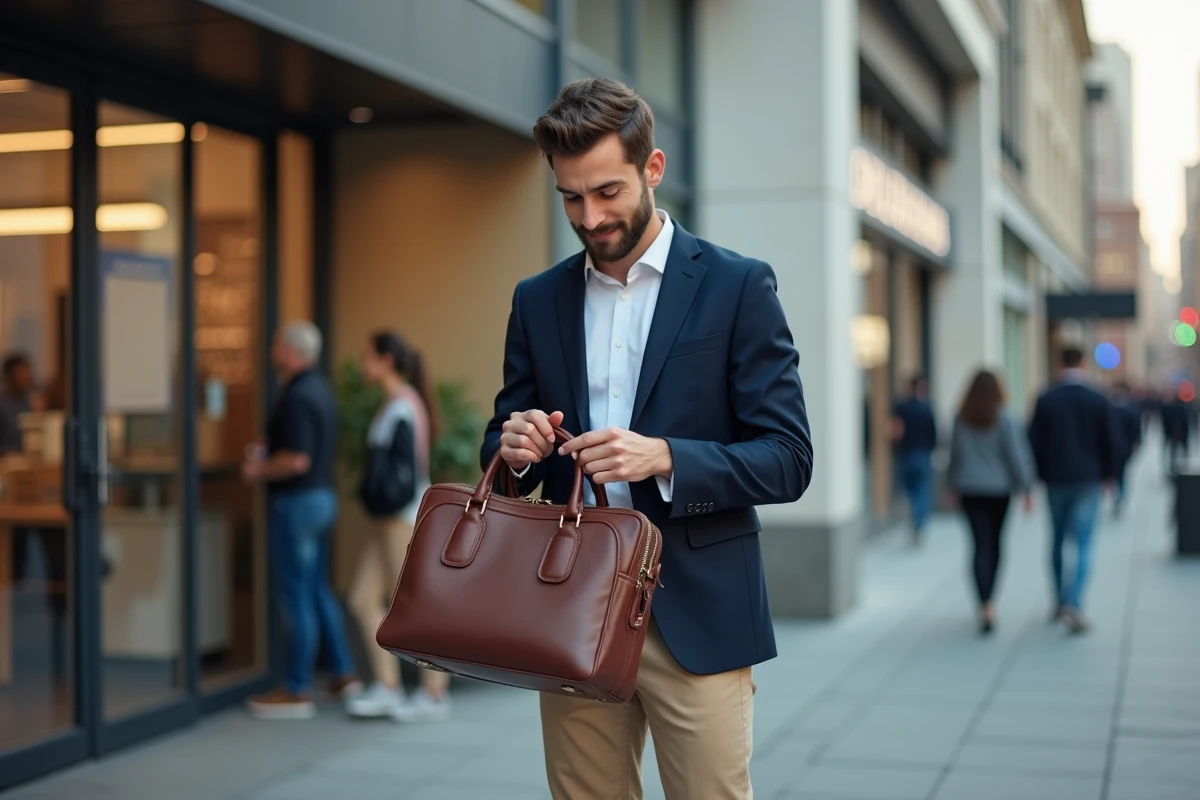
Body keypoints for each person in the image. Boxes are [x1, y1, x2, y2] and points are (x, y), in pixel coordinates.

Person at [481, 78, 813, 799]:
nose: (590, 216)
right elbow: (504, 453)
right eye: (570, 197)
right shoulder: (537, 300)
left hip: (697, 615)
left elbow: (789, 459)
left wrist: (665, 457)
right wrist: (514, 450)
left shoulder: (737, 287)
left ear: (652, 169)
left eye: (607, 192)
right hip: (571, 608)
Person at [243, 321, 361, 719]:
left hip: (297, 504)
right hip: (322, 499)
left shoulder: (296, 395)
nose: (273, 349)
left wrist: (258, 469)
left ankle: (295, 689)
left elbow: (296, 459)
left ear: (290, 351)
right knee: (316, 591)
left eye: (276, 343)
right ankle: (343, 673)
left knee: (296, 595)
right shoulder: (321, 390)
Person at [344, 331, 451, 723]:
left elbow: (404, 475)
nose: (362, 364)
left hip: (401, 519)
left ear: (385, 360)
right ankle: (388, 687)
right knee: (361, 599)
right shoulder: (397, 404)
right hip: (390, 519)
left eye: (367, 356)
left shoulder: (403, 406)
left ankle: (434, 693)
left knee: (410, 606)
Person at [1027, 345, 1119, 634]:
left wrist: (1037, 475)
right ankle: (1074, 601)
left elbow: (1033, 441)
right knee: (1082, 542)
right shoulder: (1096, 399)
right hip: (1087, 480)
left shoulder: (1046, 399)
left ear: (1059, 363)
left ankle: (1059, 599)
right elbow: (1110, 441)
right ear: (1083, 363)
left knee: (1057, 539)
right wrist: (1110, 475)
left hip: (1055, 480)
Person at [946, 370, 1035, 634]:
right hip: (999, 491)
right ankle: (990, 602)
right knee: (994, 545)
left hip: (970, 490)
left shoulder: (962, 417)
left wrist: (951, 485)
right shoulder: (1005, 417)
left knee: (978, 545)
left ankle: (983, 602)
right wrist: (1026, 488)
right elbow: (1016, 455)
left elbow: (954, 454)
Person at [891, 375, 938, 545]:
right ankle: (918, 524)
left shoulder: (901, 408)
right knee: (922, 491)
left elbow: (895, 431)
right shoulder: (926, 408)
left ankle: (914, 521)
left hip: (906, 454)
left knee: (910, 491)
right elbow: (934, 434)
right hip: (922, 454)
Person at [1109, 382, 1142, 514]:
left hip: (1115, 448)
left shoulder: (1111, 410)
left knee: (1117, 474)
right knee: (1122, 474)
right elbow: (1136, 432)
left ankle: (1118, 496)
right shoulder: (1130, 411)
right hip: (1123, 448)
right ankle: (1120, 496)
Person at [0, 353, 37, 455]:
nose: (27, 376)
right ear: (10, 376)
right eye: (21, 372)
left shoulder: (29, 401)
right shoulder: (3, 404)